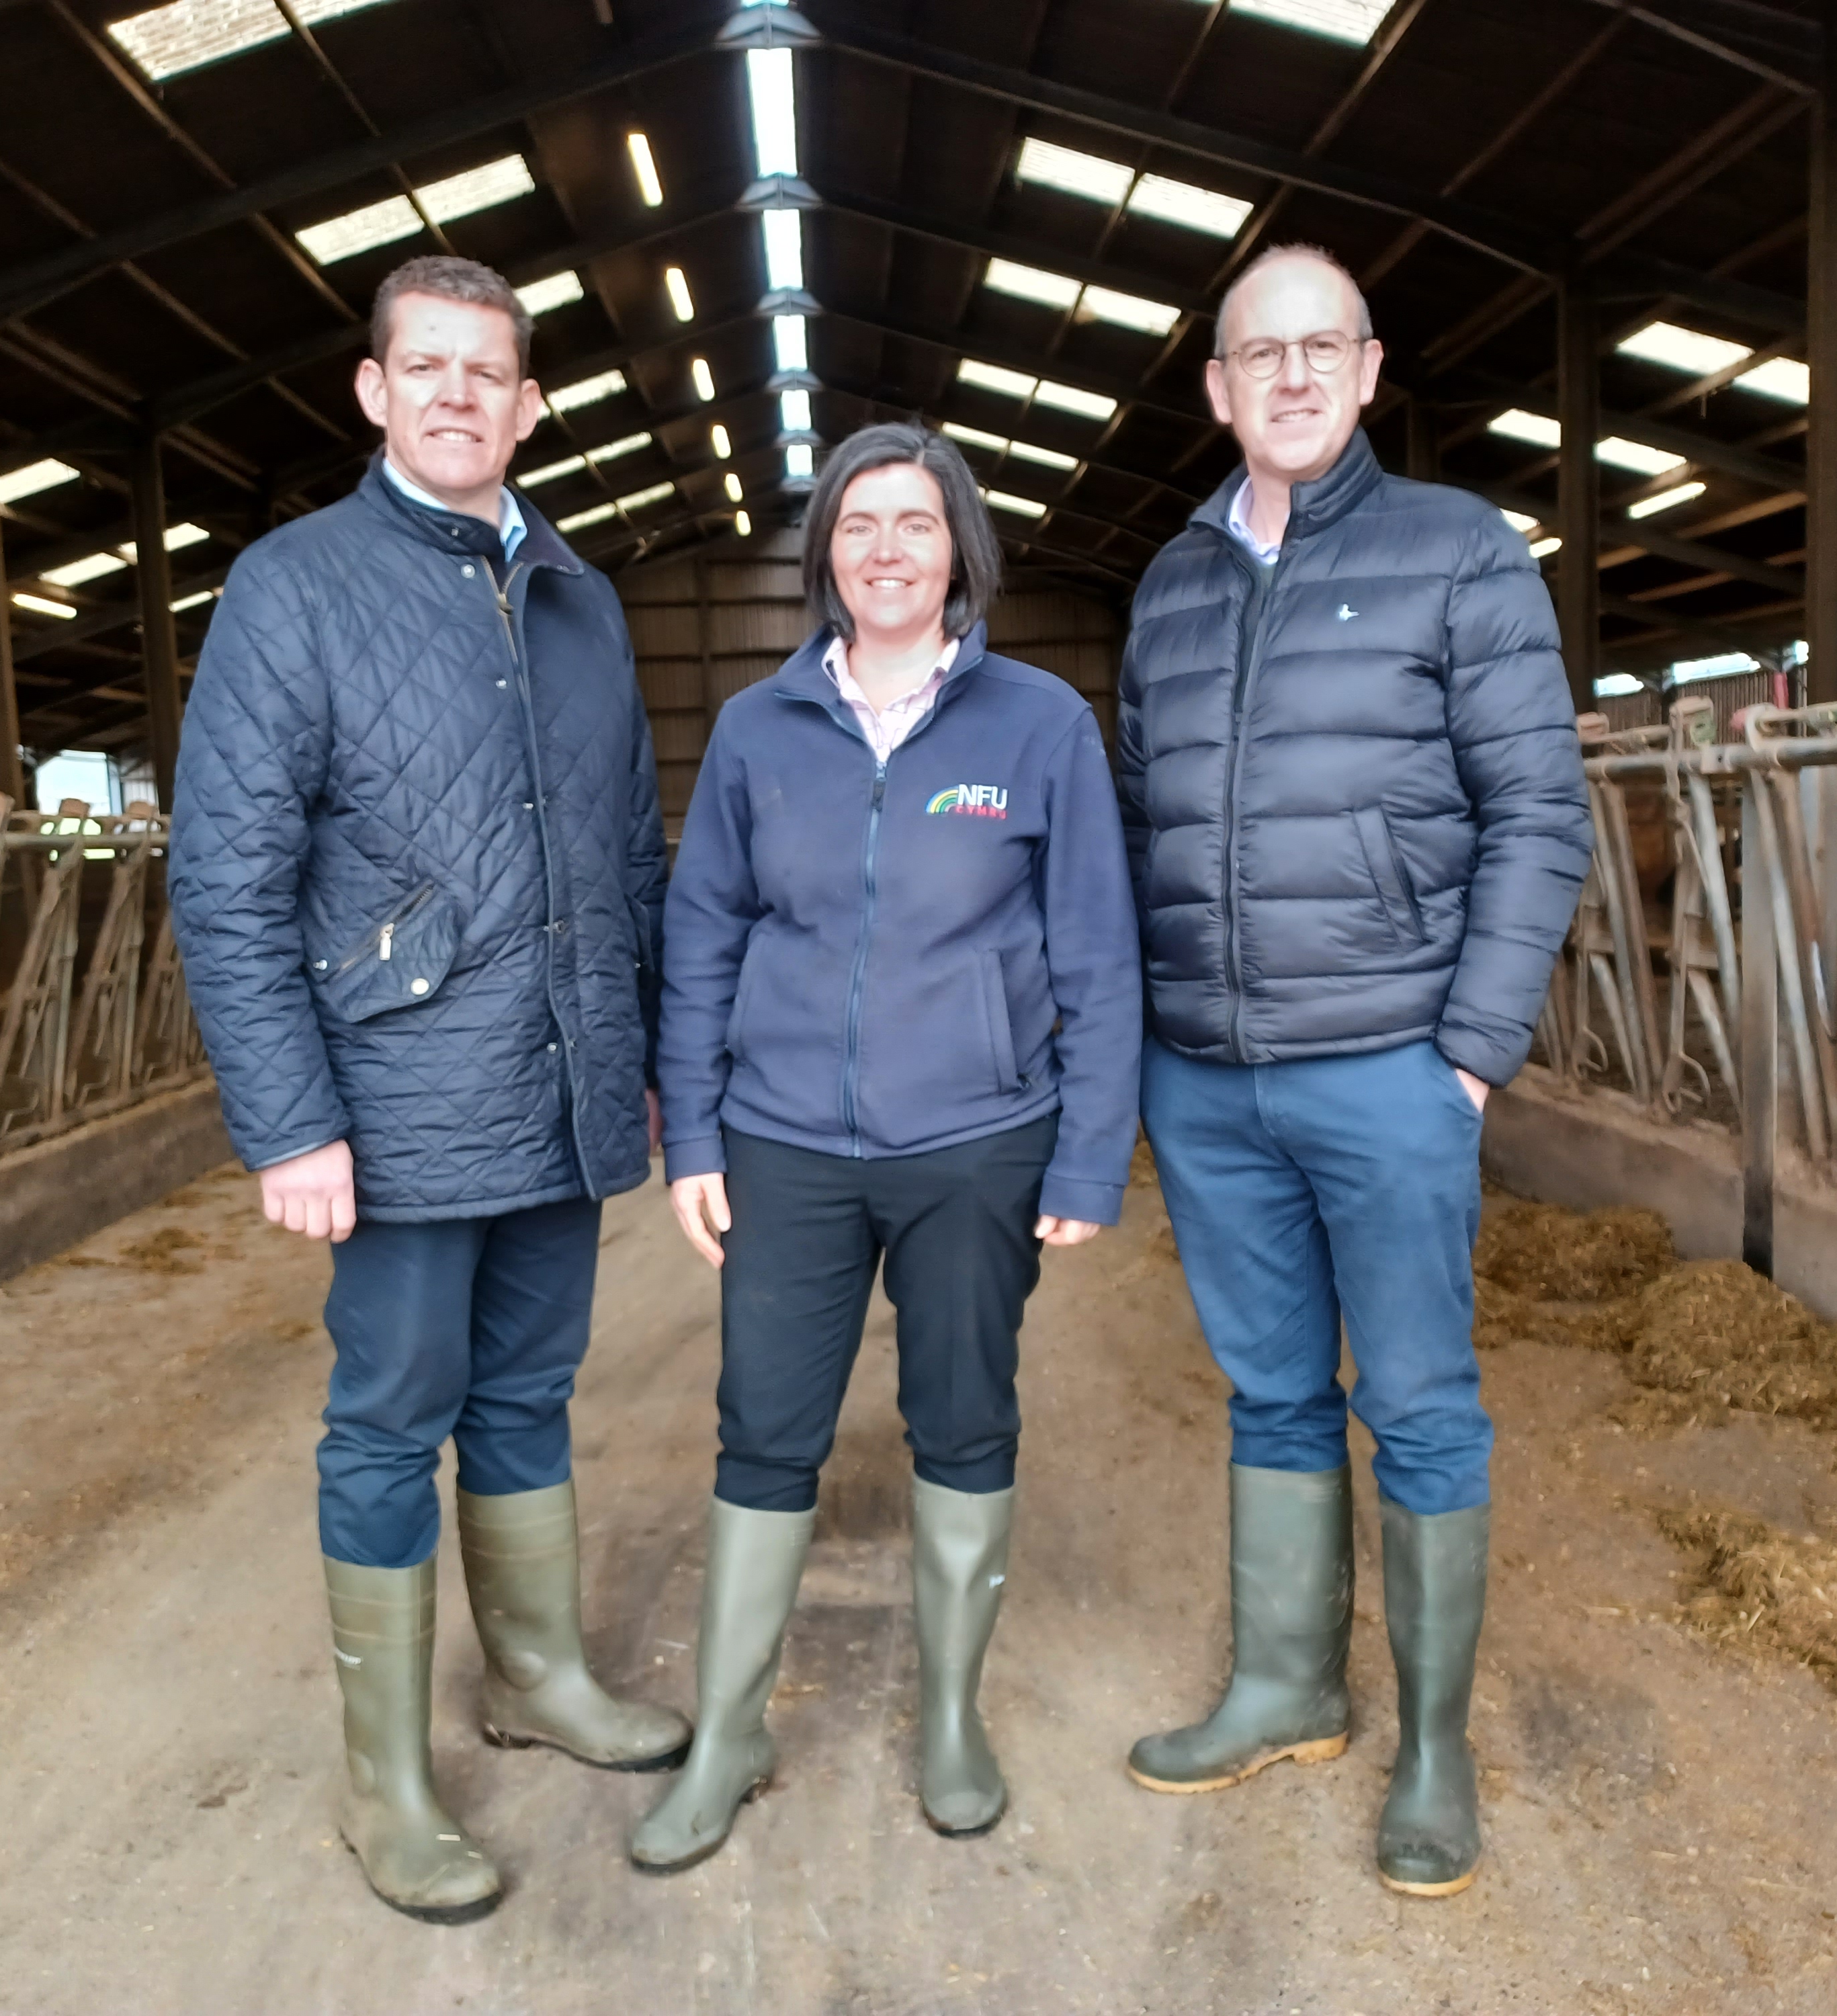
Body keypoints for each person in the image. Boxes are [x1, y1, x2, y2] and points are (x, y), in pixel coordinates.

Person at [168, 255, 688, 1925]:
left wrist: (655, 1066)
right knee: (389, 1418)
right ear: (375, 392)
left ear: (530, 408)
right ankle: (383, 1779)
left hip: (557, 1085)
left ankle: (533, 1676)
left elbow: (625, 853)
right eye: (429, 366)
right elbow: (226, 874)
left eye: (492, 371)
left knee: (529, 1395)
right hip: (392, 1095)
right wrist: (289, 1117)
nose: (461, 392)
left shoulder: (581, 599)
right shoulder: (292, 585)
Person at [1114, 245, 1591, 1898]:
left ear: (1370, 370)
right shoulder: (1168, 583)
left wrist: (1465, 1056)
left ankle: (1434, 1747)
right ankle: (1284, 1687)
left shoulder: (1457, 554)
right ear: (1218, 386)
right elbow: (1135, 826)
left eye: (1323, 348)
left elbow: (1540, 815)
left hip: (1387, 1063)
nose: (1294, 376)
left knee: (1419, 1404)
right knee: (1266, 1390)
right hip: (1206, 1076)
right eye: (1262, 352)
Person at [632, 421, 1141, 1872]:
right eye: (858, 526)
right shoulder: (754, 729)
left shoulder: (1037, 725)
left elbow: (1097, 951)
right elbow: (703, 935)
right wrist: (693, 1133)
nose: (885, 549)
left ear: (958, 550)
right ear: (825, 557)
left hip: (980, 1140)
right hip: (785, 1140)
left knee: (965, 1417)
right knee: (764, 1429)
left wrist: (1090, 1152)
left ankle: (951, 1716)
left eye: (914, 524)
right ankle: (729, 1732)